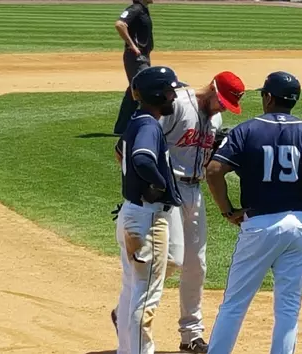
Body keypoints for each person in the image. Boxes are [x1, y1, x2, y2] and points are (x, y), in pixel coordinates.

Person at [204, 71, 302, 354]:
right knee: (288, 306)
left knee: (235, 303)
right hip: (298, 226)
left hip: (260, 225)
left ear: (269, 97)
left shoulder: (246, 130)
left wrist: (227, 211)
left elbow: (213, 171)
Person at [112, 71, 246, 353]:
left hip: (193, 191)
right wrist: (145, 185)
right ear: (212, 87)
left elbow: (204, 161)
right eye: (220, 101)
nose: (222, 108)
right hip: (167, 193)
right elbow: (126, 150)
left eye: (227, 105)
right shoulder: (176, 106)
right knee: (169, 261)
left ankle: (191, 334)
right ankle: (126, 314)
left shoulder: (217, 119)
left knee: (196, 263)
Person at [112, 65, 183, 354]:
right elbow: (142, 159)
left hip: (134, 214)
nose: (173, 97)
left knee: (132, 291)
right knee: (145, 298)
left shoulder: (137, 120)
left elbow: (122, 153)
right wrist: (159, 185)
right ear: (156, 94)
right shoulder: (149, 126)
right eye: (169, 92)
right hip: (149, 219)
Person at [113, 0, 155, 135]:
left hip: (142, 57)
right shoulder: (136, 8)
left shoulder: (143, 9)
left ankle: (121, 128)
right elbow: (120, 24)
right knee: (144, 87)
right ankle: (146, 123)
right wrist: (132, 45)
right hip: (136, 57)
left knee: (133, 90)